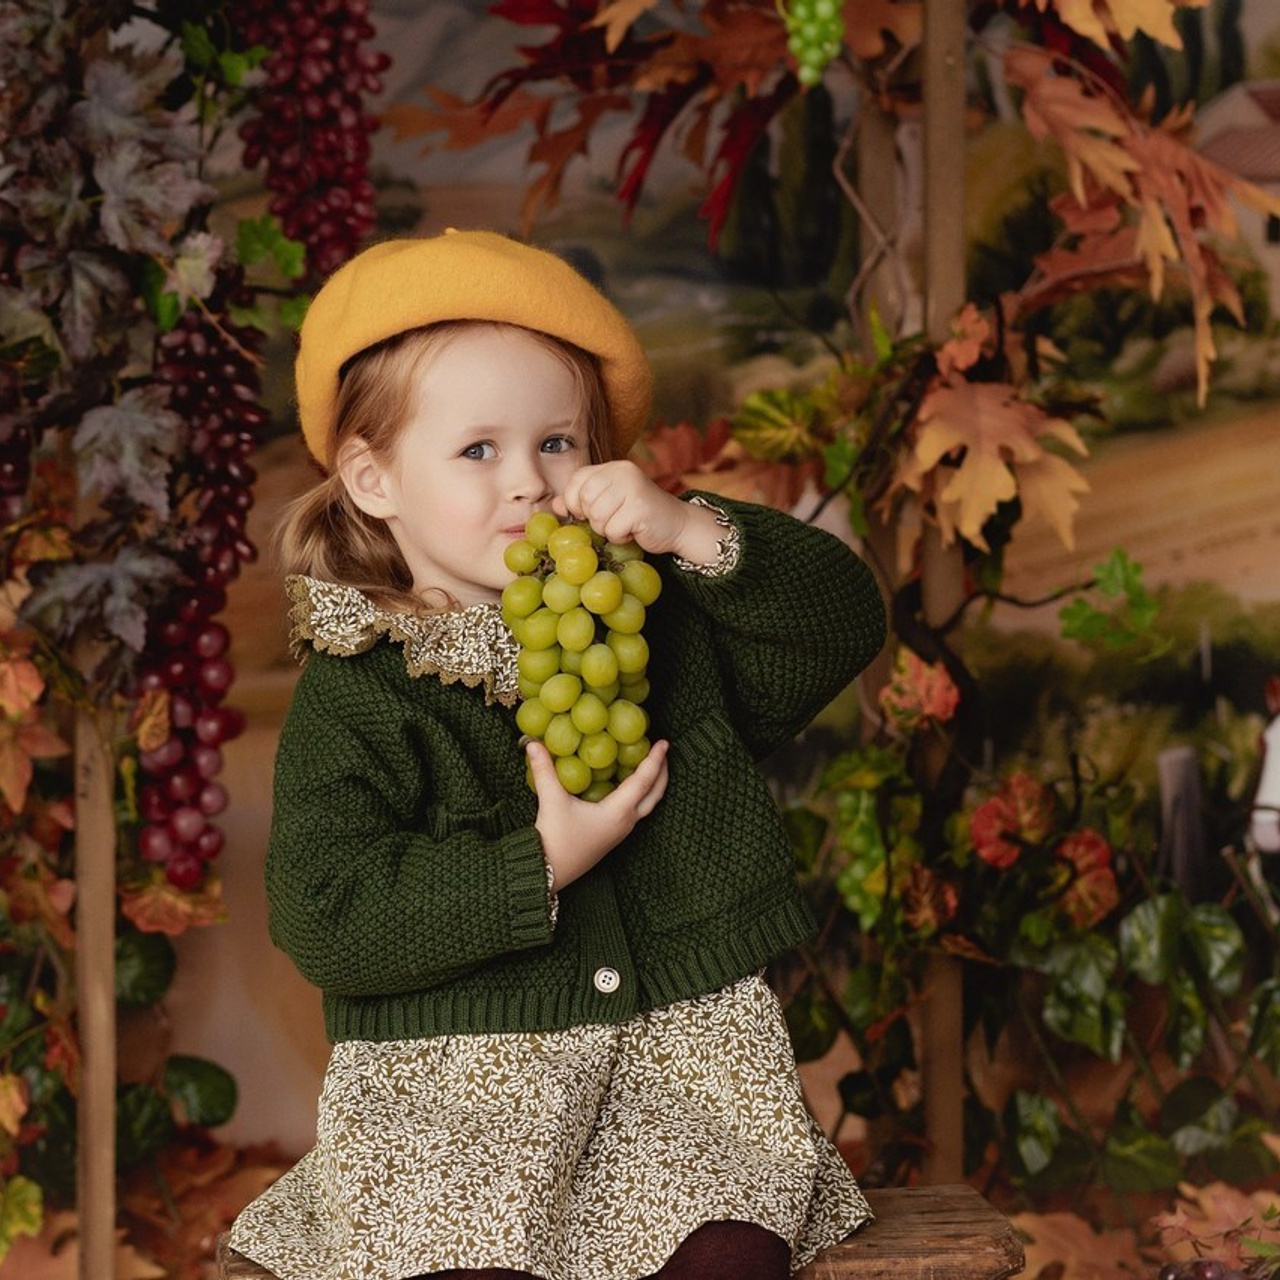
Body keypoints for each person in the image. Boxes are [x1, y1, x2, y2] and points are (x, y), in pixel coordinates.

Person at [228, 229, 886, 1280]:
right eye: (477, 449)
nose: (528, 482)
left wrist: (693, 532)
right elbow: (326, 913)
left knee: (726, 1255)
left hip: (673, 1080)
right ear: (371, 477)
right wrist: (535, 864)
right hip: (456, 1101)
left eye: (558, 442)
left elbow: (840, 624)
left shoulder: (656, 617)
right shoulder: (358, 687)